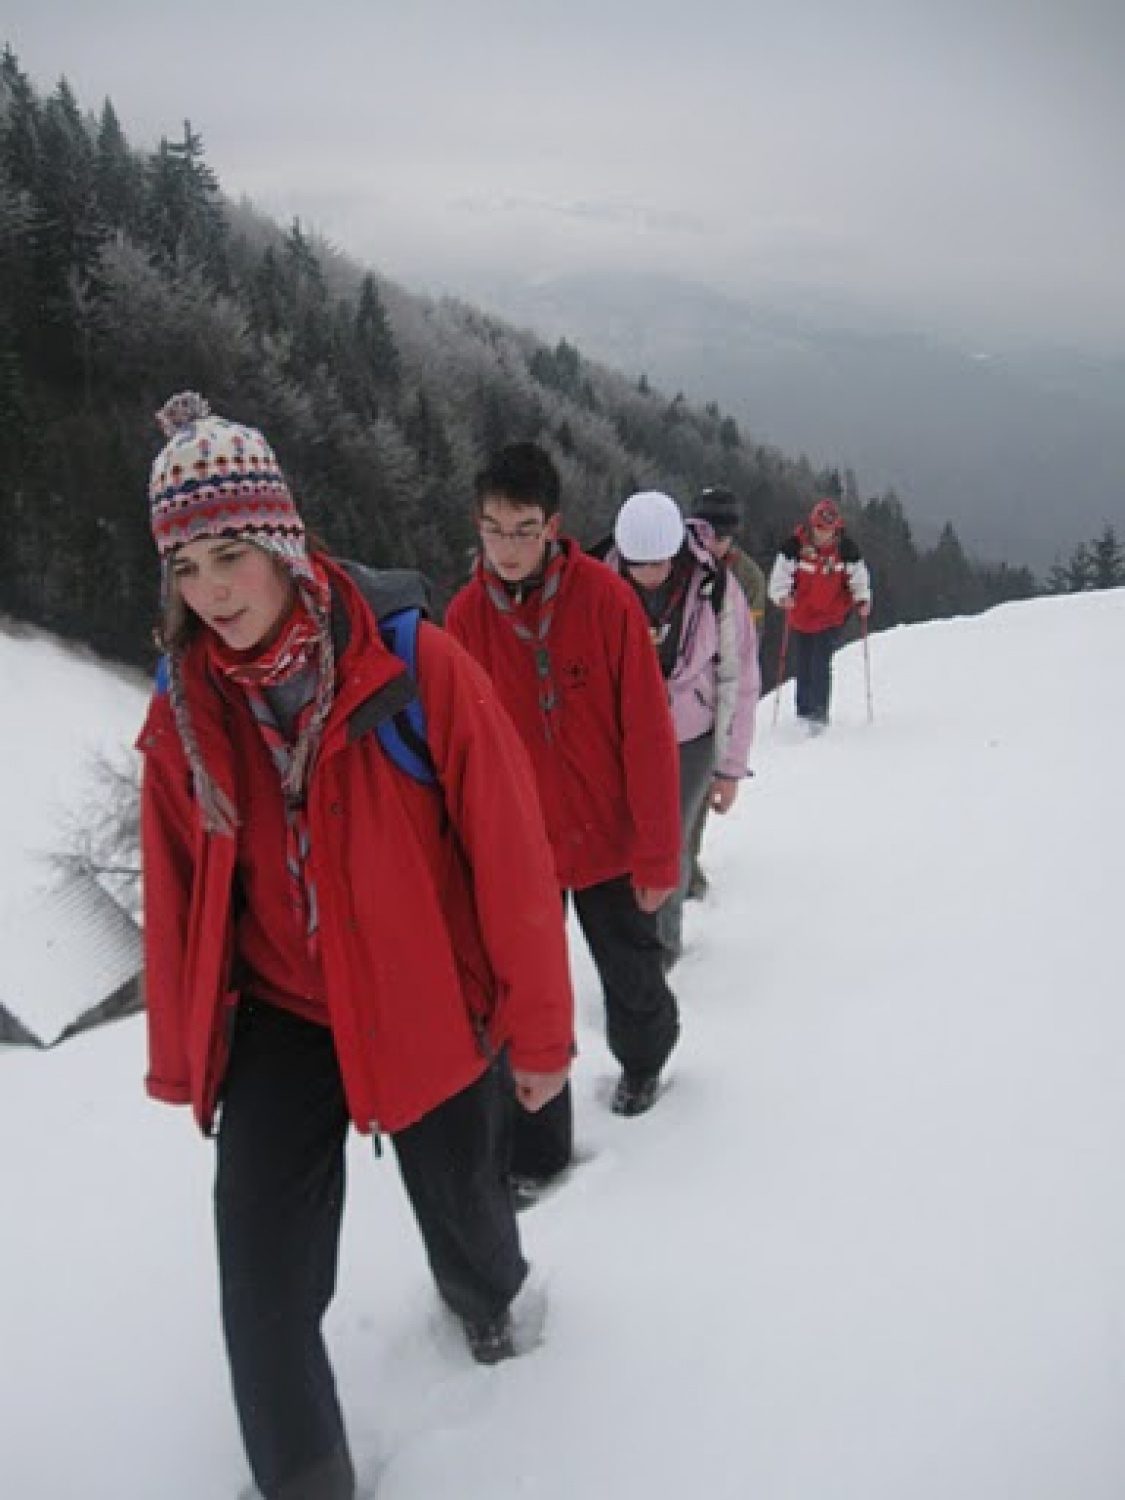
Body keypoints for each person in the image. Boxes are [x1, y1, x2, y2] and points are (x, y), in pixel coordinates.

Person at [137, 393, 574, 1500]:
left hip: (424, 999)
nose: (212, 591)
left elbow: (512, 854)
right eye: (185, 566)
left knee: (469, 1211)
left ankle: (488, 1310)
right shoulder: (187, 705)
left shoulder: (411, 668)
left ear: (282, 539)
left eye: (231, 553)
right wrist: (188, 1053)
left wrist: (539, 1028)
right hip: (282, 1018)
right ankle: (307, 1481)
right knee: (263, 1284)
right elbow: (178, 882)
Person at [445, 441, 681, 1184]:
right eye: (493, 527)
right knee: (524, 1001)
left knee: (632, 974)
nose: (507, 547)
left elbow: (647, 734)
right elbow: (456, 752)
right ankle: (537, 1155)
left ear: (553, 525)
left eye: (523, 529)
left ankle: (643, 1063)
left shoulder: (605, 601)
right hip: (522, 852)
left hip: (608, 838)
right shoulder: (463, 619)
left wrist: (657, 855)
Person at [597, 490, 759, 967]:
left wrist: (729, 768)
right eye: (637, 564)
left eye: (658, 564)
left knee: (671, 839)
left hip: (690, 734)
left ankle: (661, 951)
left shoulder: (713, 585)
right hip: (621, 735)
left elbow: (739, 676)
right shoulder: (598, 583)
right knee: (624, 841)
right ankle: (625, 941)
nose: (648, 575)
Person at [686, 486, 765, 898]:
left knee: (693, 800)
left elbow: (743, 659)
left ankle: (687, 878)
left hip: (712, 705)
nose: (711, 542)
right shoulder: (672, 560)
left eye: (721, 535)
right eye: (706, 531)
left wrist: (732, 761)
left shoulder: (745, 578)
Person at [768, 496, 872, 729]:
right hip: (801, 615)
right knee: (802, 663)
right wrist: (782, 596)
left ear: (837, 529)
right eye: (818, 528)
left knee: (820, 663)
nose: (823, 534)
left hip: (831, 616)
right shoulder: (794, 547)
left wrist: (862, 599)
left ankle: (818, 715)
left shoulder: (846, 550)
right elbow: (780, 575)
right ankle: (802, 712)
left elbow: (859, 577)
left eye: (828, 530)